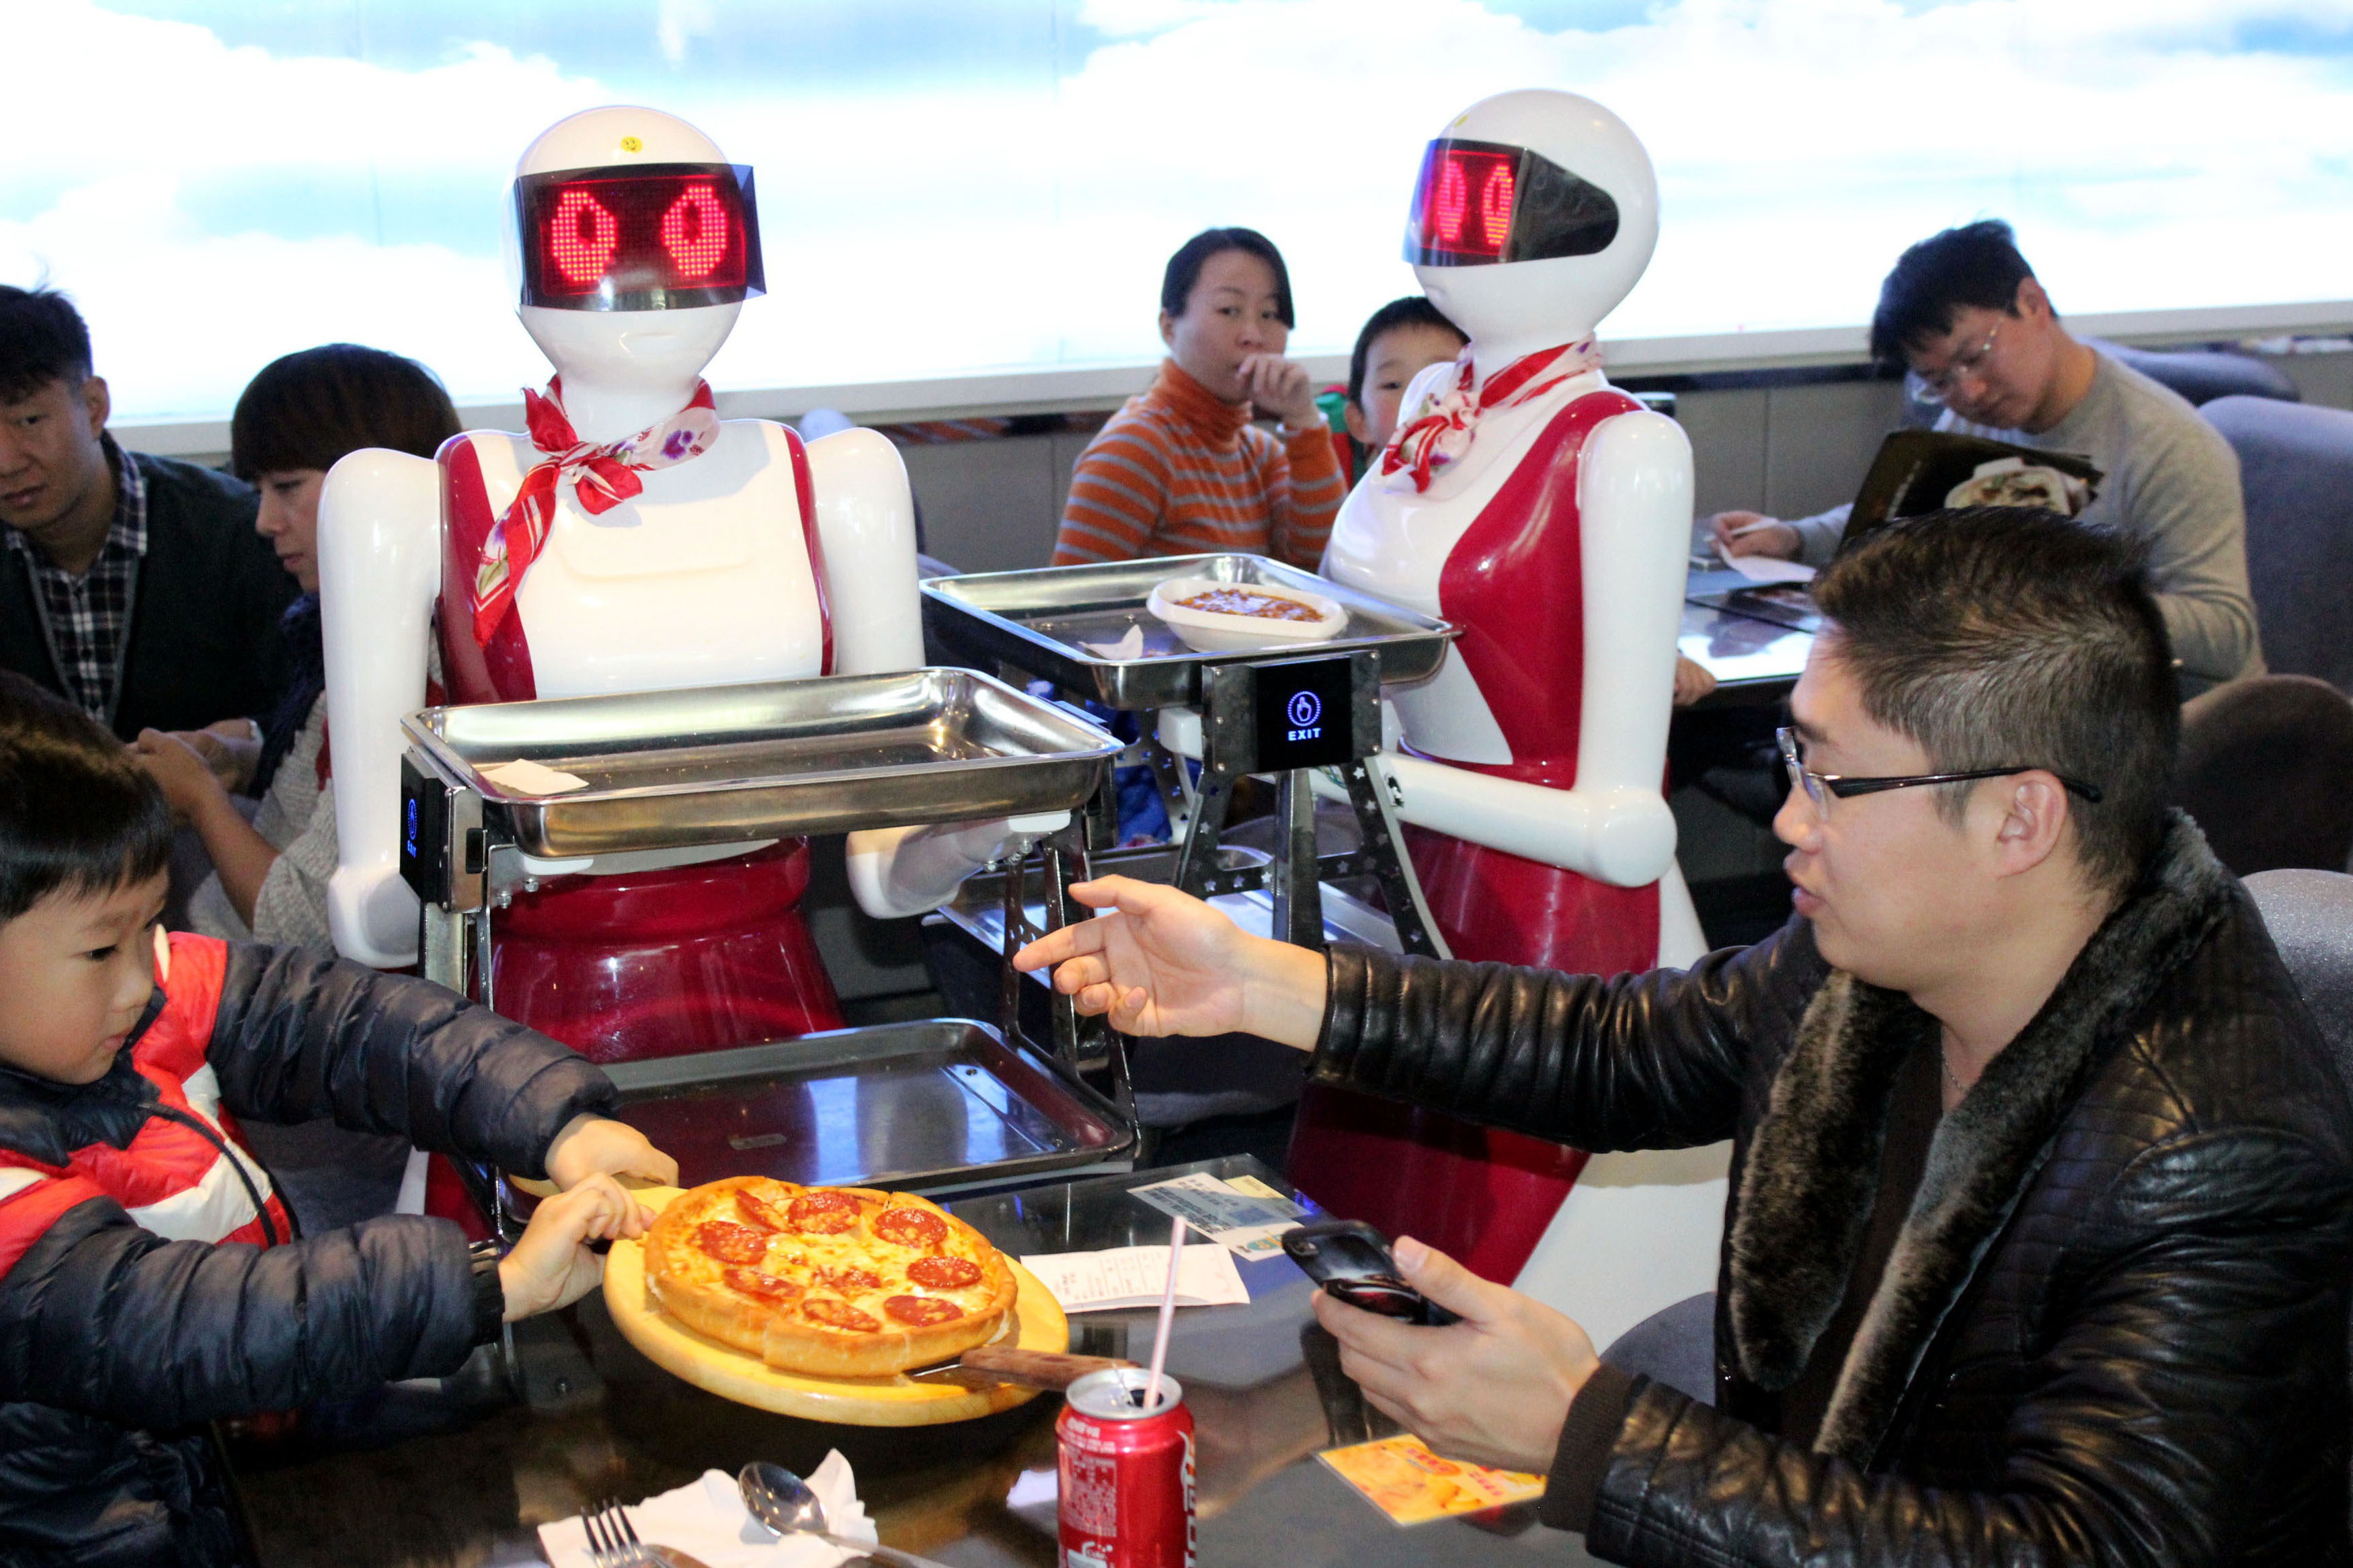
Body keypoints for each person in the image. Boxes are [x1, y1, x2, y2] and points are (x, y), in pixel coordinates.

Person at [1019, 507, 2353, 1563]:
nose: (1789, 819)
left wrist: (1590, 1433)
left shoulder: (2216, 1154)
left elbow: (2070, 1551)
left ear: (2018, 816)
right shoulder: (1899, 954)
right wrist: (1260, 982)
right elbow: (1629, 1047)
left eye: (1832, 778)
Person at [0, 671, 678, 1565]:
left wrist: (554, 1120)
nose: (141, 976)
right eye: (98, 948)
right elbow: (186, 1327)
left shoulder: (134, 992)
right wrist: (492, 1282)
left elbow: (345, 1025)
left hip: (235, 1450)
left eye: (148, 927)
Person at [1709, 220, 2262, 694]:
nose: (1968, 393)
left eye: (1975, 357)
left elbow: (2225, 631)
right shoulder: (1984, 413)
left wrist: (2048, 603)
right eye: (1939, 381)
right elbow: (1908, 520)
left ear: (2033, 303)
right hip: (2041, 693)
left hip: (2172, 718)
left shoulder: (2166, 444)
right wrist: (1796, 538)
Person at [132, 345, 461, 960]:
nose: (263, 520)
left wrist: (201, 797)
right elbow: (324, 803)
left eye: (286, 487)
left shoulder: (411, 663)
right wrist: (244, 760)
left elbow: (304, 924)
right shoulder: (350, 623)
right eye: (258, 488)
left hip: (263, 988)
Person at [0, 285, 296, 740]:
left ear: (94, 408)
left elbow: (313, 715)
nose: (7, 461)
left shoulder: (240, 532)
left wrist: (247, 744)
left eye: (29, 421)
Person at [1053, 228, 1345, 569]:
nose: (1253, 335)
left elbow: (1320, 572)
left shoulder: (1262, 454)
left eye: (1268, 314)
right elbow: (1066, 609)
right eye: (1229, 310)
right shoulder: (1135, 447)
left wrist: (1304, 420)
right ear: (1169, 327)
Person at [1315, 294, 1467, 483]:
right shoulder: (1362, 507)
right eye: (1393, 385)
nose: (1419, 398)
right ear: (1360, 422)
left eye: (1439, 378)